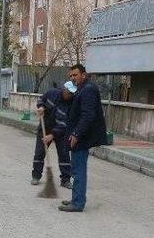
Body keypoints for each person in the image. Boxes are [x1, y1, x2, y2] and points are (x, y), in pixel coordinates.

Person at [59, 64, 107, 212]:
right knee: (76, 169)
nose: (73, 78)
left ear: (83, 75)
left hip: (81, 138)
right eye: (71, 76)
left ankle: (78, 203)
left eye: (75, 75)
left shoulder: (88, 90)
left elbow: (88, 115)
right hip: (79, 137)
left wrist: (76, 134)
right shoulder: (81, 89)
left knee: (78, 170)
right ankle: (76, 198)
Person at [31, 81, 76, 188]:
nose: (70, 95)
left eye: (72, 93)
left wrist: (51, 136)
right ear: (64, 89)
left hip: (61, 132)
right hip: (45, 128)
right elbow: (41, 99)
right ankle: (36, 176)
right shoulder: (52, 93)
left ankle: (65, 180)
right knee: (39, 153)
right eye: (69, 92)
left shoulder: (71, 104)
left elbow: (63, 124)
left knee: (64, 155)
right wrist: (41, 107)